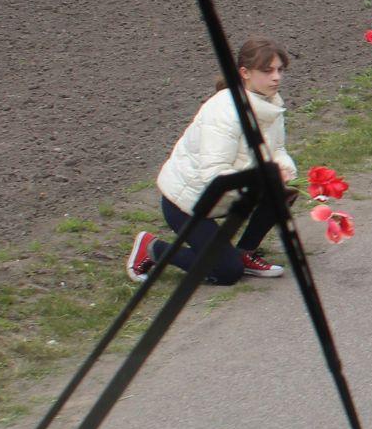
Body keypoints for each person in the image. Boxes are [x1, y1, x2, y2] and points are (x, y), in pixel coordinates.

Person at [125, 37, 297, 286]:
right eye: (267, 70)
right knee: (227, 272)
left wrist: (284, 169)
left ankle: (244, 252)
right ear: (245, 73)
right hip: (188, 202)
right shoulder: (224, 112)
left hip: (225, 198)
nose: (276, 77)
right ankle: (152, 248)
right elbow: (214, 175)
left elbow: (277, 149)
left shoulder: (270, 104)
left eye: (280, 70)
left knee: (283, 191)